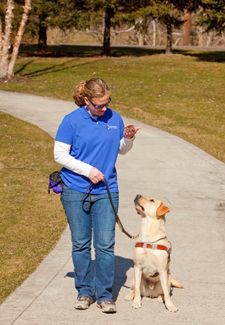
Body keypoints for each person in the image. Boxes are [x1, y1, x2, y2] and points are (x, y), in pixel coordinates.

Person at [54, 77, 139, 313]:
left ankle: (104, 295)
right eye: (98, 105)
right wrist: (87, 170)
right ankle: (84, 292)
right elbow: (60, 155)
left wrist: (129, 138)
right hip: (74, 189)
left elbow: (120, 150)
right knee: (81, 244)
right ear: (85, 100)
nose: (103, 109)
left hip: (106, 190)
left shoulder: (114, 118)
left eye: (106, 103)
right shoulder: (71, 121)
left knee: (105, 245)